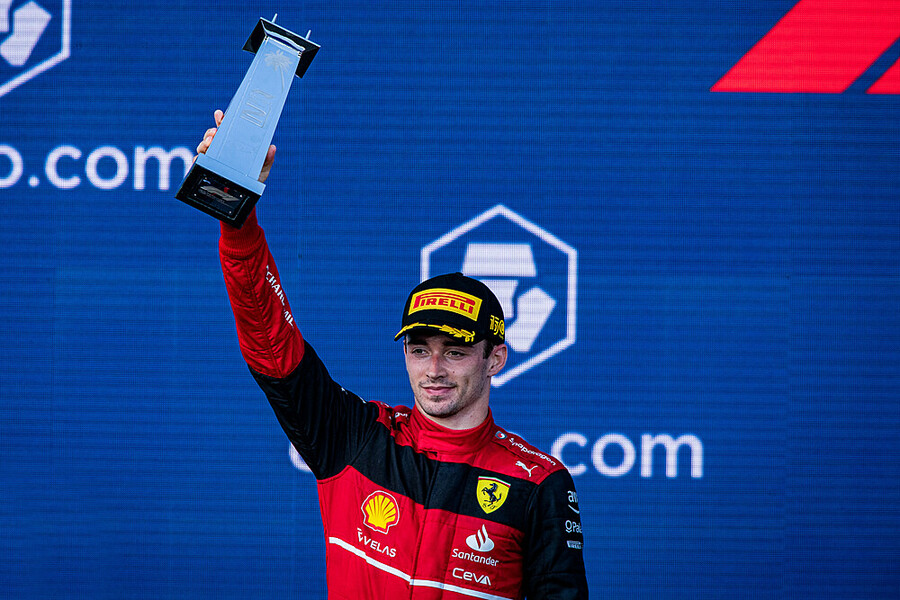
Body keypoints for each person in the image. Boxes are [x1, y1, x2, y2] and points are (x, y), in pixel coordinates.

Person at [198, 110, 588, 599]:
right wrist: (236, 216)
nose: (434, 370)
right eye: (419, 350)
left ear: (496, 358)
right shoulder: (356, 438)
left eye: (455, 351)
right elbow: (271, 343)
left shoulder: (538, 482)